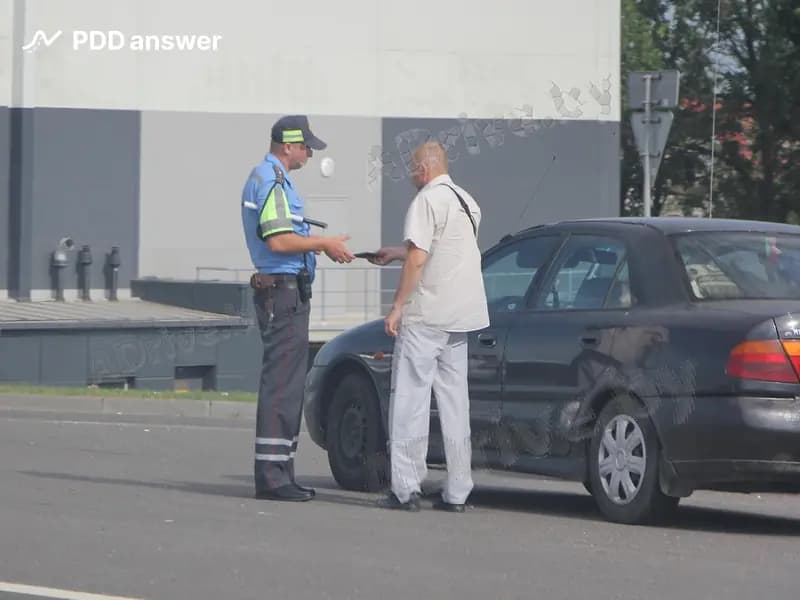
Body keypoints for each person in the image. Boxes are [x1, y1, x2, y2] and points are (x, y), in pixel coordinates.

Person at [241, 115, 354, 502]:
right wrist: (323, 244)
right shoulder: (271, 180)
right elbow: (278, 241)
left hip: (286, 293)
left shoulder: (274, 179)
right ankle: (273, 478)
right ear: (288, 146)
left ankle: (281, 472)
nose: (309, 152)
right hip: (282, 294)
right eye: (306, 146)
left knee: (287, 386)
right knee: (281, 387)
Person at [372, 141, 489, 512]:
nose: (409, 175)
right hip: (461, 318)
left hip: (427, 317)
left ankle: (406, 489)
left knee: (410, 401)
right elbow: (441, 250)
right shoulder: (467, 202)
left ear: (423, 169)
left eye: (411, 168)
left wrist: (396, 307)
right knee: (456, 405)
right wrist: (395, 251)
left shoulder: (425, 201)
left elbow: (419, 260)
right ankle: (458, 489)